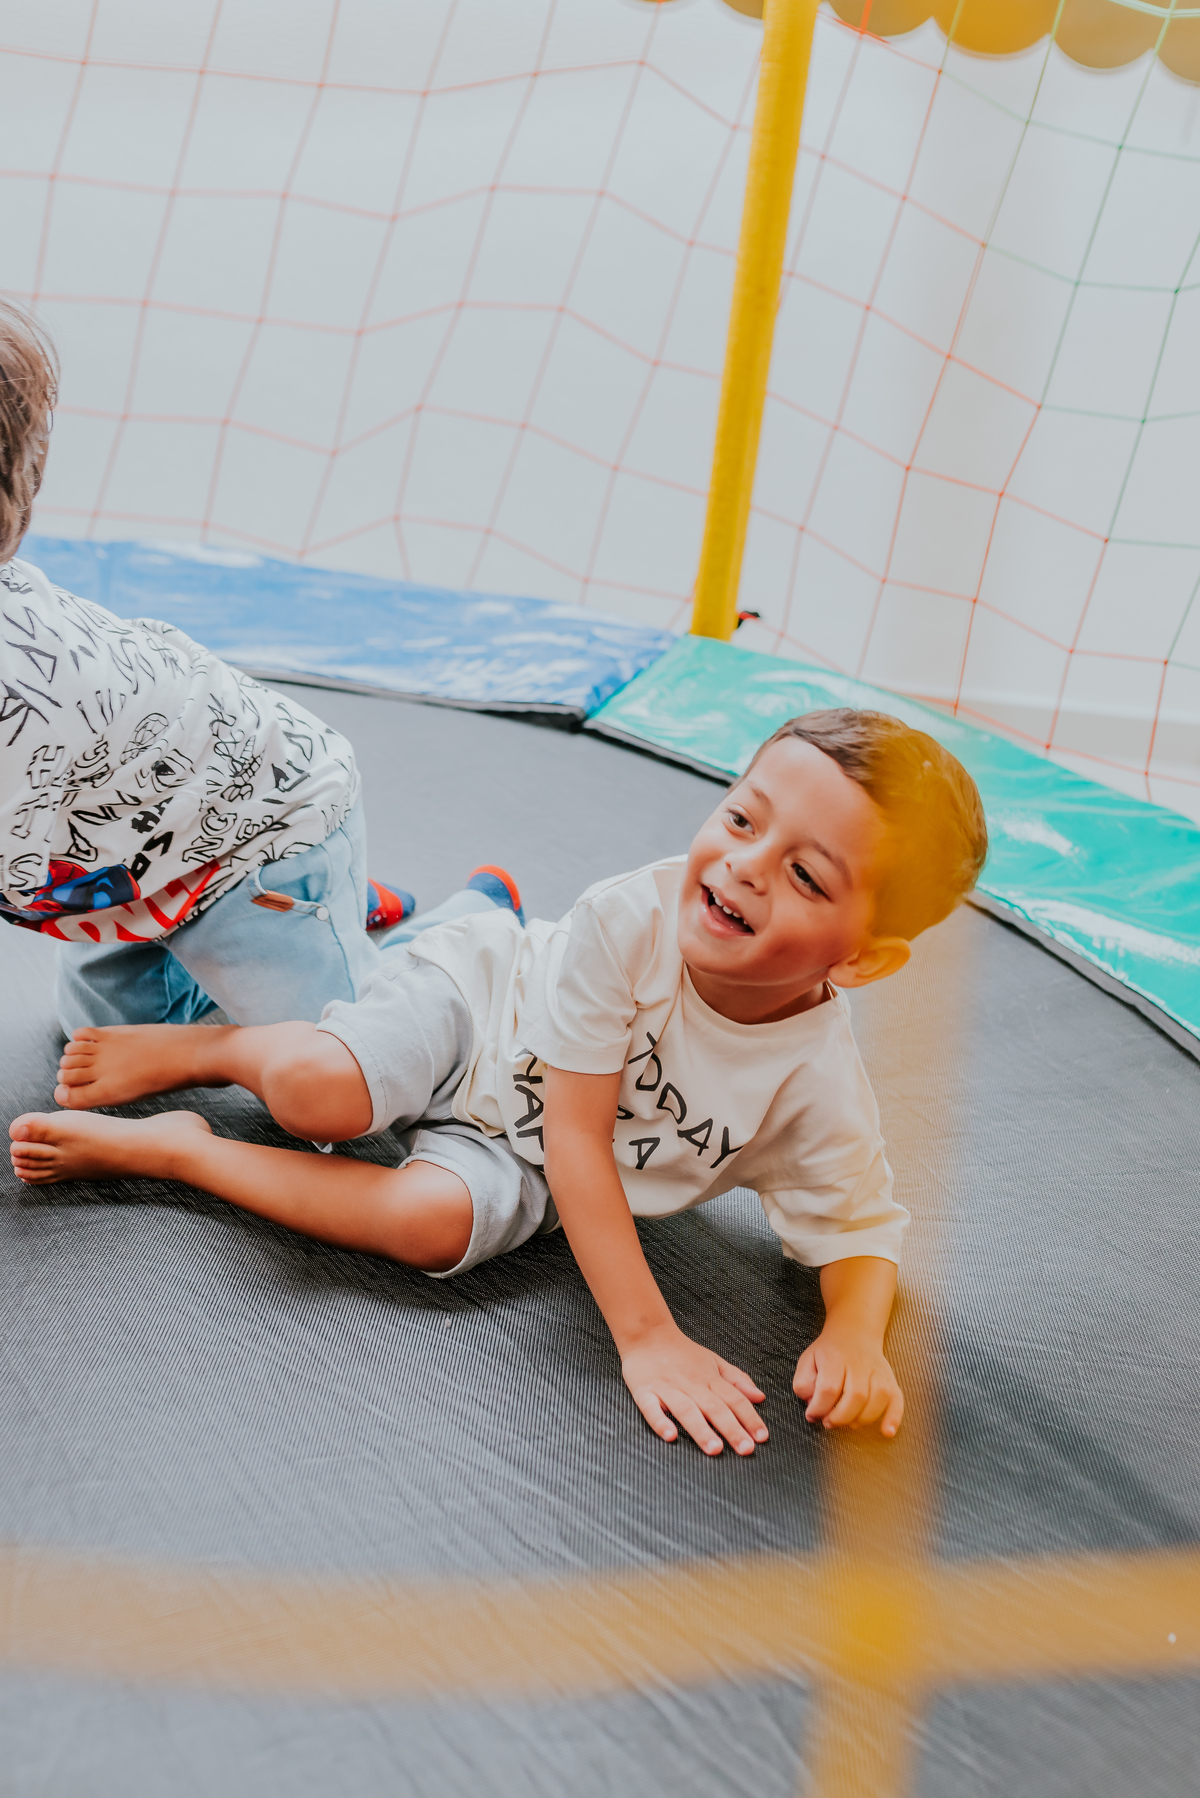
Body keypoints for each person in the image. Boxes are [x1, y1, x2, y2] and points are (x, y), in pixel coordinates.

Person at [10, 709, 987, 1455]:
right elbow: (577, 1133)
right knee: (317, 1091)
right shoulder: (628, 923)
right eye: (741, 818)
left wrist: (857, 1331)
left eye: (808, 876)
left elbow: (859, 1221)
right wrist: (648, 1335)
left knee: (431, 1227)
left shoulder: (816, 1082)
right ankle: (218, 1049)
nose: (743, 867)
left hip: (518, 1151)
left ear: (862, 961)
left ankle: (189, 1152)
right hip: (483, 1005)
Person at [0, 299, 519, 1030]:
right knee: (106, 1037)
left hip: (261, 834)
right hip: (134, 864)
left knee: (341, 1075)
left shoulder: (15, 694)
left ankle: (469, 932)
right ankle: (331, 916)